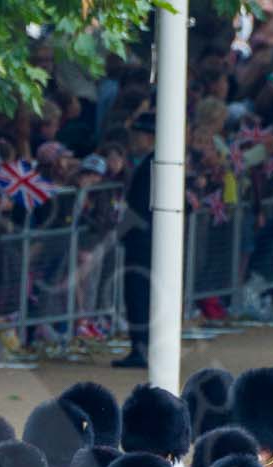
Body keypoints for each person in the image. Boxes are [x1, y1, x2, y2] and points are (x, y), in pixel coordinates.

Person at [112, 113, 157, 370]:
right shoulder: (151, 163)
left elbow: (139, 206)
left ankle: (140, 348)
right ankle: (141, 347)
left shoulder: (151, 165)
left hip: (142, 241)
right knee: (139, 296)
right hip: (144, 239)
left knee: (138, 296)